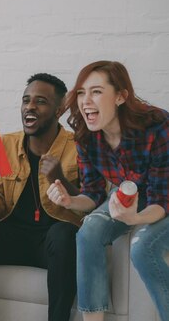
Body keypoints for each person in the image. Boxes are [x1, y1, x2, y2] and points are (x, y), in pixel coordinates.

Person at [0, 73, 84, 321]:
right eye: (26, 100)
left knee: (64, 234)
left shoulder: (78, 148)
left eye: (40, 101)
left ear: (59, 109)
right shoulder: (5, 144)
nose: (30, 106)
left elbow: (90, 207)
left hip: (51, 244)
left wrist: (59, 180)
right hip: (12, 237)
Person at [47, 61, 168, 321]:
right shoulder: (86, 135)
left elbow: (162, 198)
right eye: (81, 92)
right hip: (137, 193)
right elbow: (92, 195)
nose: (85, 100)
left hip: (164, 192)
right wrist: (69, 200)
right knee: (88, 231)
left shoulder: (157, 126)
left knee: (143, 247)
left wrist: (135, 219)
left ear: (121, 96)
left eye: (97, 91)